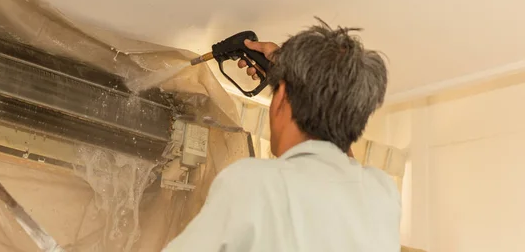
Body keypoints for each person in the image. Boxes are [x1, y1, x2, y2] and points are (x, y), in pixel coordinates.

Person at [163, 19, 400, 252]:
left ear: (281, 98)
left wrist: (292, 81)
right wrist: (293, 78)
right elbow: (341, 154)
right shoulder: (382, 193)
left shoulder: (253, 184)